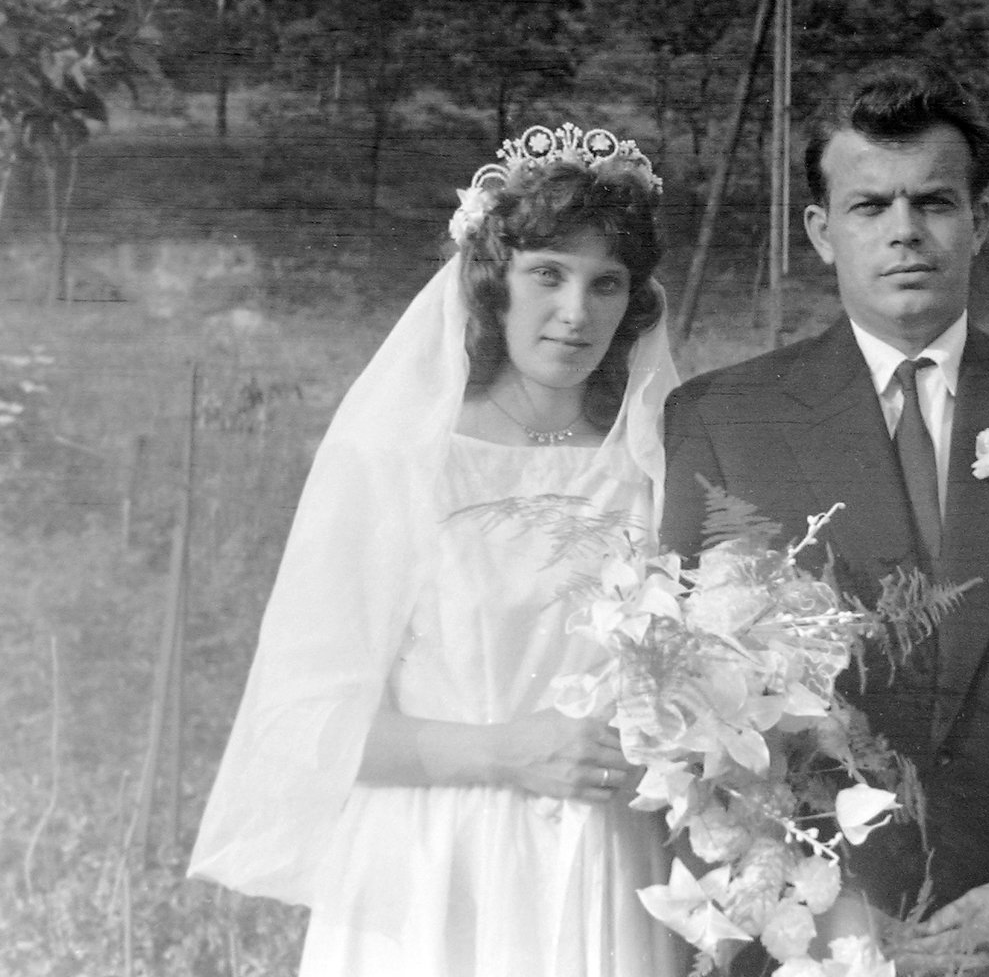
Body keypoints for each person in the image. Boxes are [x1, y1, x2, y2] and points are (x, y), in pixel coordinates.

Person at [660, 63, 989, 977]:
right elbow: (691, 702)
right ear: (822, 231)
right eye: (870, 207)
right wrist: (815, 915)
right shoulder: (724, 417)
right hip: (809, 928)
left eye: (934, 202)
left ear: (981, 221)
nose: (905, 231)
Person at [190, 124, 686, 977]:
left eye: (605, 284)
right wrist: (508, 751)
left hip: (609, 864)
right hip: (431, 867)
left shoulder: (653, 461)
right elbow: (304, 725)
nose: (575, 313)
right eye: (547, 275)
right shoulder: (398, 458)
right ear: (492, 286)